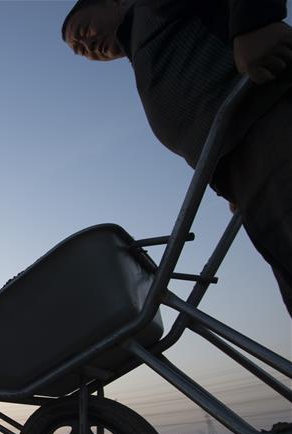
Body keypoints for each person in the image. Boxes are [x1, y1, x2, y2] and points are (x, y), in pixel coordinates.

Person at [61, 0, 292, 316]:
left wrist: (254, 23)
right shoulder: (143, 52)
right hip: (244, 170)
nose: (87, 45)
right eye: (80, 50)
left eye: (84, 31)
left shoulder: (149, 9)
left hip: (269, 117)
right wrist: (230, 186)